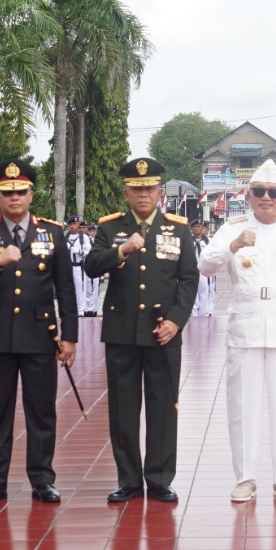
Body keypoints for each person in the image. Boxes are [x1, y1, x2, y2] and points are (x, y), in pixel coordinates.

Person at [200, 159, 276, 503]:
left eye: (272, 192)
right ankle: (245, 477)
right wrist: (233, 246)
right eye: (259, 192)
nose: (265, 198)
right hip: (247, 328)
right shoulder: (232, 228)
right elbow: (205, 266)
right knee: (242, 406)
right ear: (248, 195)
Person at [0, 160, 78, 505]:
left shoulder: (52, 232)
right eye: (7, 193)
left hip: (40, 335)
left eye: (21, 192)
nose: (15, 198)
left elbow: (66, 289)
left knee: (41, 410)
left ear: (31, 194)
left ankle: (42, 479)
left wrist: (68, 336)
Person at [83, 156, 198, 503]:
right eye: (136, 188)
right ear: (126, 192)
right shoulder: (109, 228)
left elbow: (188, 279)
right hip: (121, 331)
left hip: (163, 331)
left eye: (149, 188)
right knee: (123, 407)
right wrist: (121, 249)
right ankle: (129, 480)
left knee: (163, 405)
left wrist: (176, 322)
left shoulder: (177, 228)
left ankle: (160, 478)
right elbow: (90, 267)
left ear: (160, 191)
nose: (143, 193)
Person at [65, 215, 97, 317]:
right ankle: (71, 310)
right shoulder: (65, 237)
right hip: (68, 266)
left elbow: (89, 253)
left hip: (79, 266)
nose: (73, 226)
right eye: (71, 224)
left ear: (78, 224)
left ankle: (80, 312)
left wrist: (79, 251)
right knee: (69, 290)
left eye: (75, 224)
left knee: (80, 290)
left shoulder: (84, 238)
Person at [190, 219, 216, 317]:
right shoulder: (188, 240)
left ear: (202, 228)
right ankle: (194, 313)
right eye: (194, 227)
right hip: (192, 270)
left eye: (199, 226)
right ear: (191, 228)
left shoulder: (209, 241)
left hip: (205, 271)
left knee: (206, 291)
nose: (197, 229)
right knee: (193, 293)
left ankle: (205, 313)